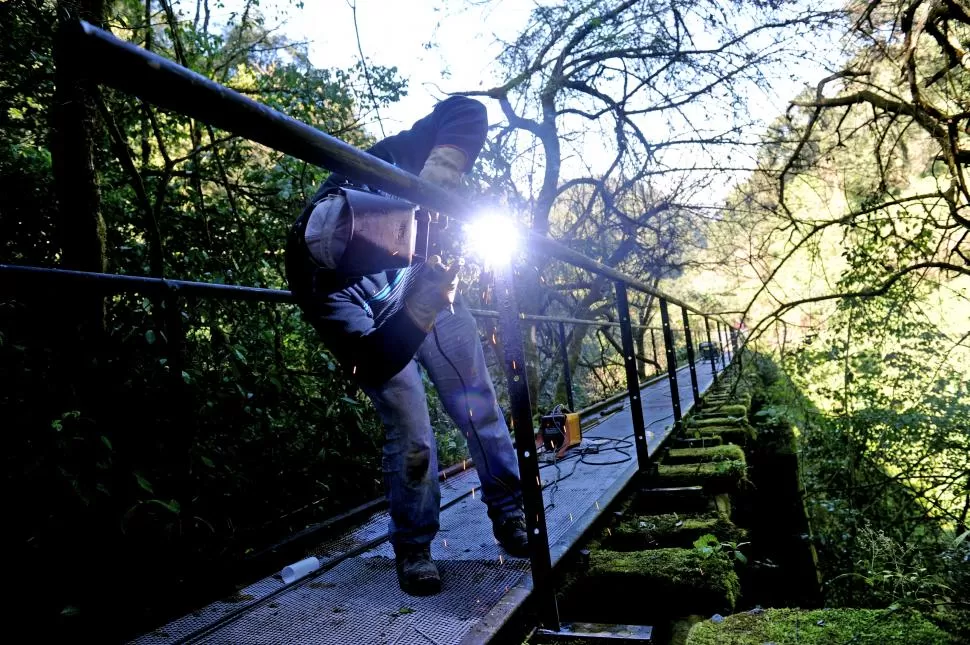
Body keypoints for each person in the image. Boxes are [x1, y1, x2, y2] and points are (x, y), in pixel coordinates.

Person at [284, 96, 528, 596]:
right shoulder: (313, 281)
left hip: (433, 286)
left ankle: (511, 513)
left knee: (478, 404)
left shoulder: (383, 166)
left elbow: (466, 111)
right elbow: (373, 363)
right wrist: (418, 310)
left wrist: (439, 174)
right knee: (411, 428)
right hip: (387, 322)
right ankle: (414, 547)